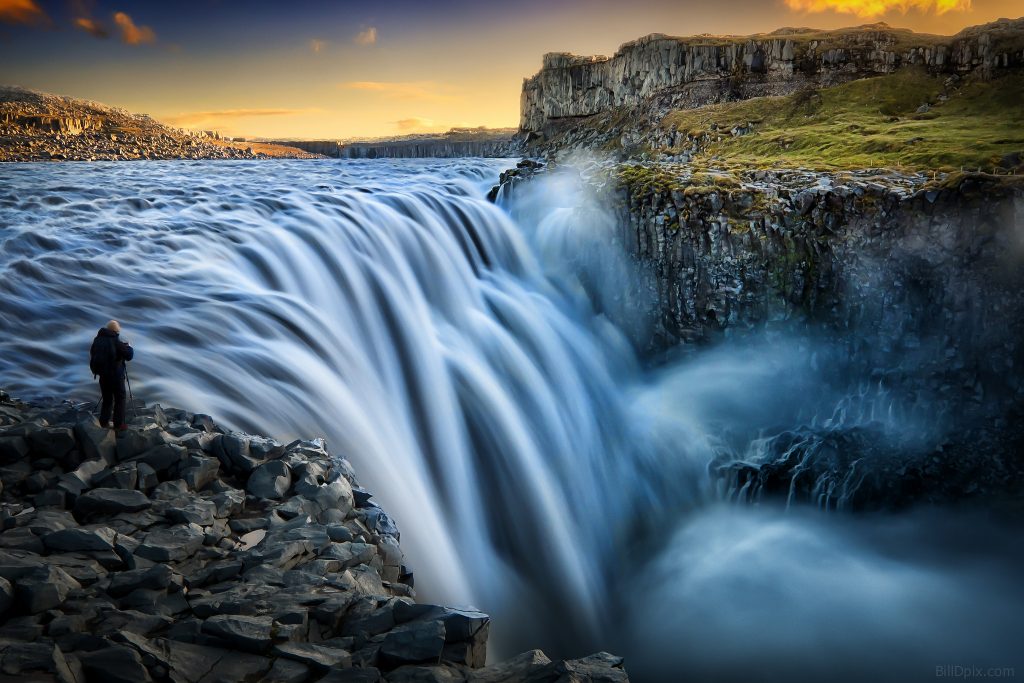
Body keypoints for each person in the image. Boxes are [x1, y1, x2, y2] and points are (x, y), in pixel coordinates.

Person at [89, 320, 134, 430]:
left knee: (107, 399)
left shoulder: (97, 340)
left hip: (102, 376)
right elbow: (129, 356)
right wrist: (129, 347)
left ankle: (103, 421)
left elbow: (93, 353)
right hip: (116, 376)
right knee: (120, 398)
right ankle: (119, 424)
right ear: (115, 331)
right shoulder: (115, 342)